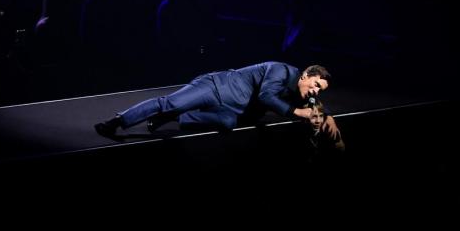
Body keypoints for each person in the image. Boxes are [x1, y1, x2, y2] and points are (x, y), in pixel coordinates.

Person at [94, 62, 340, 138]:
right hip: (214, 87)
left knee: (227, 123)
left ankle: (174, 118)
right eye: (316, 84)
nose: (315, 91)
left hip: (230, 108)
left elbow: (316, 107)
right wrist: (297, 114)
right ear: (307, 74)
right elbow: (266, 96)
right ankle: (116, 122)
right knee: (170, 102)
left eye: (320, 89)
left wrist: (324, 115)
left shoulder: (303, 93)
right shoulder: (281, 71)